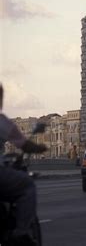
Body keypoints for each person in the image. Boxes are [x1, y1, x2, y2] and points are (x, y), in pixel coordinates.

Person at [0, 83, 47, 245]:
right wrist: (40, 148)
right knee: (27, 185)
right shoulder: (2, 122)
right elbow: (24, 144)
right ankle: (21, 231)